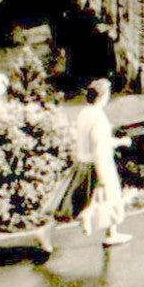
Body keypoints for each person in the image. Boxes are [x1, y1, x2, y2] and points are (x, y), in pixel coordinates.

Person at [36, 79, 133, 252]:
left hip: (83, 162)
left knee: (98, 200)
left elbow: (92, 141)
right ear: (103, 96)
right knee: (82, 203)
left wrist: (119, 142)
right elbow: (99, 146)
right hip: (96, 165)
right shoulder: (98, 117)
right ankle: (46, 232)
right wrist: (103, 175)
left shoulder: (84, 113)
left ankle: (111, 233)